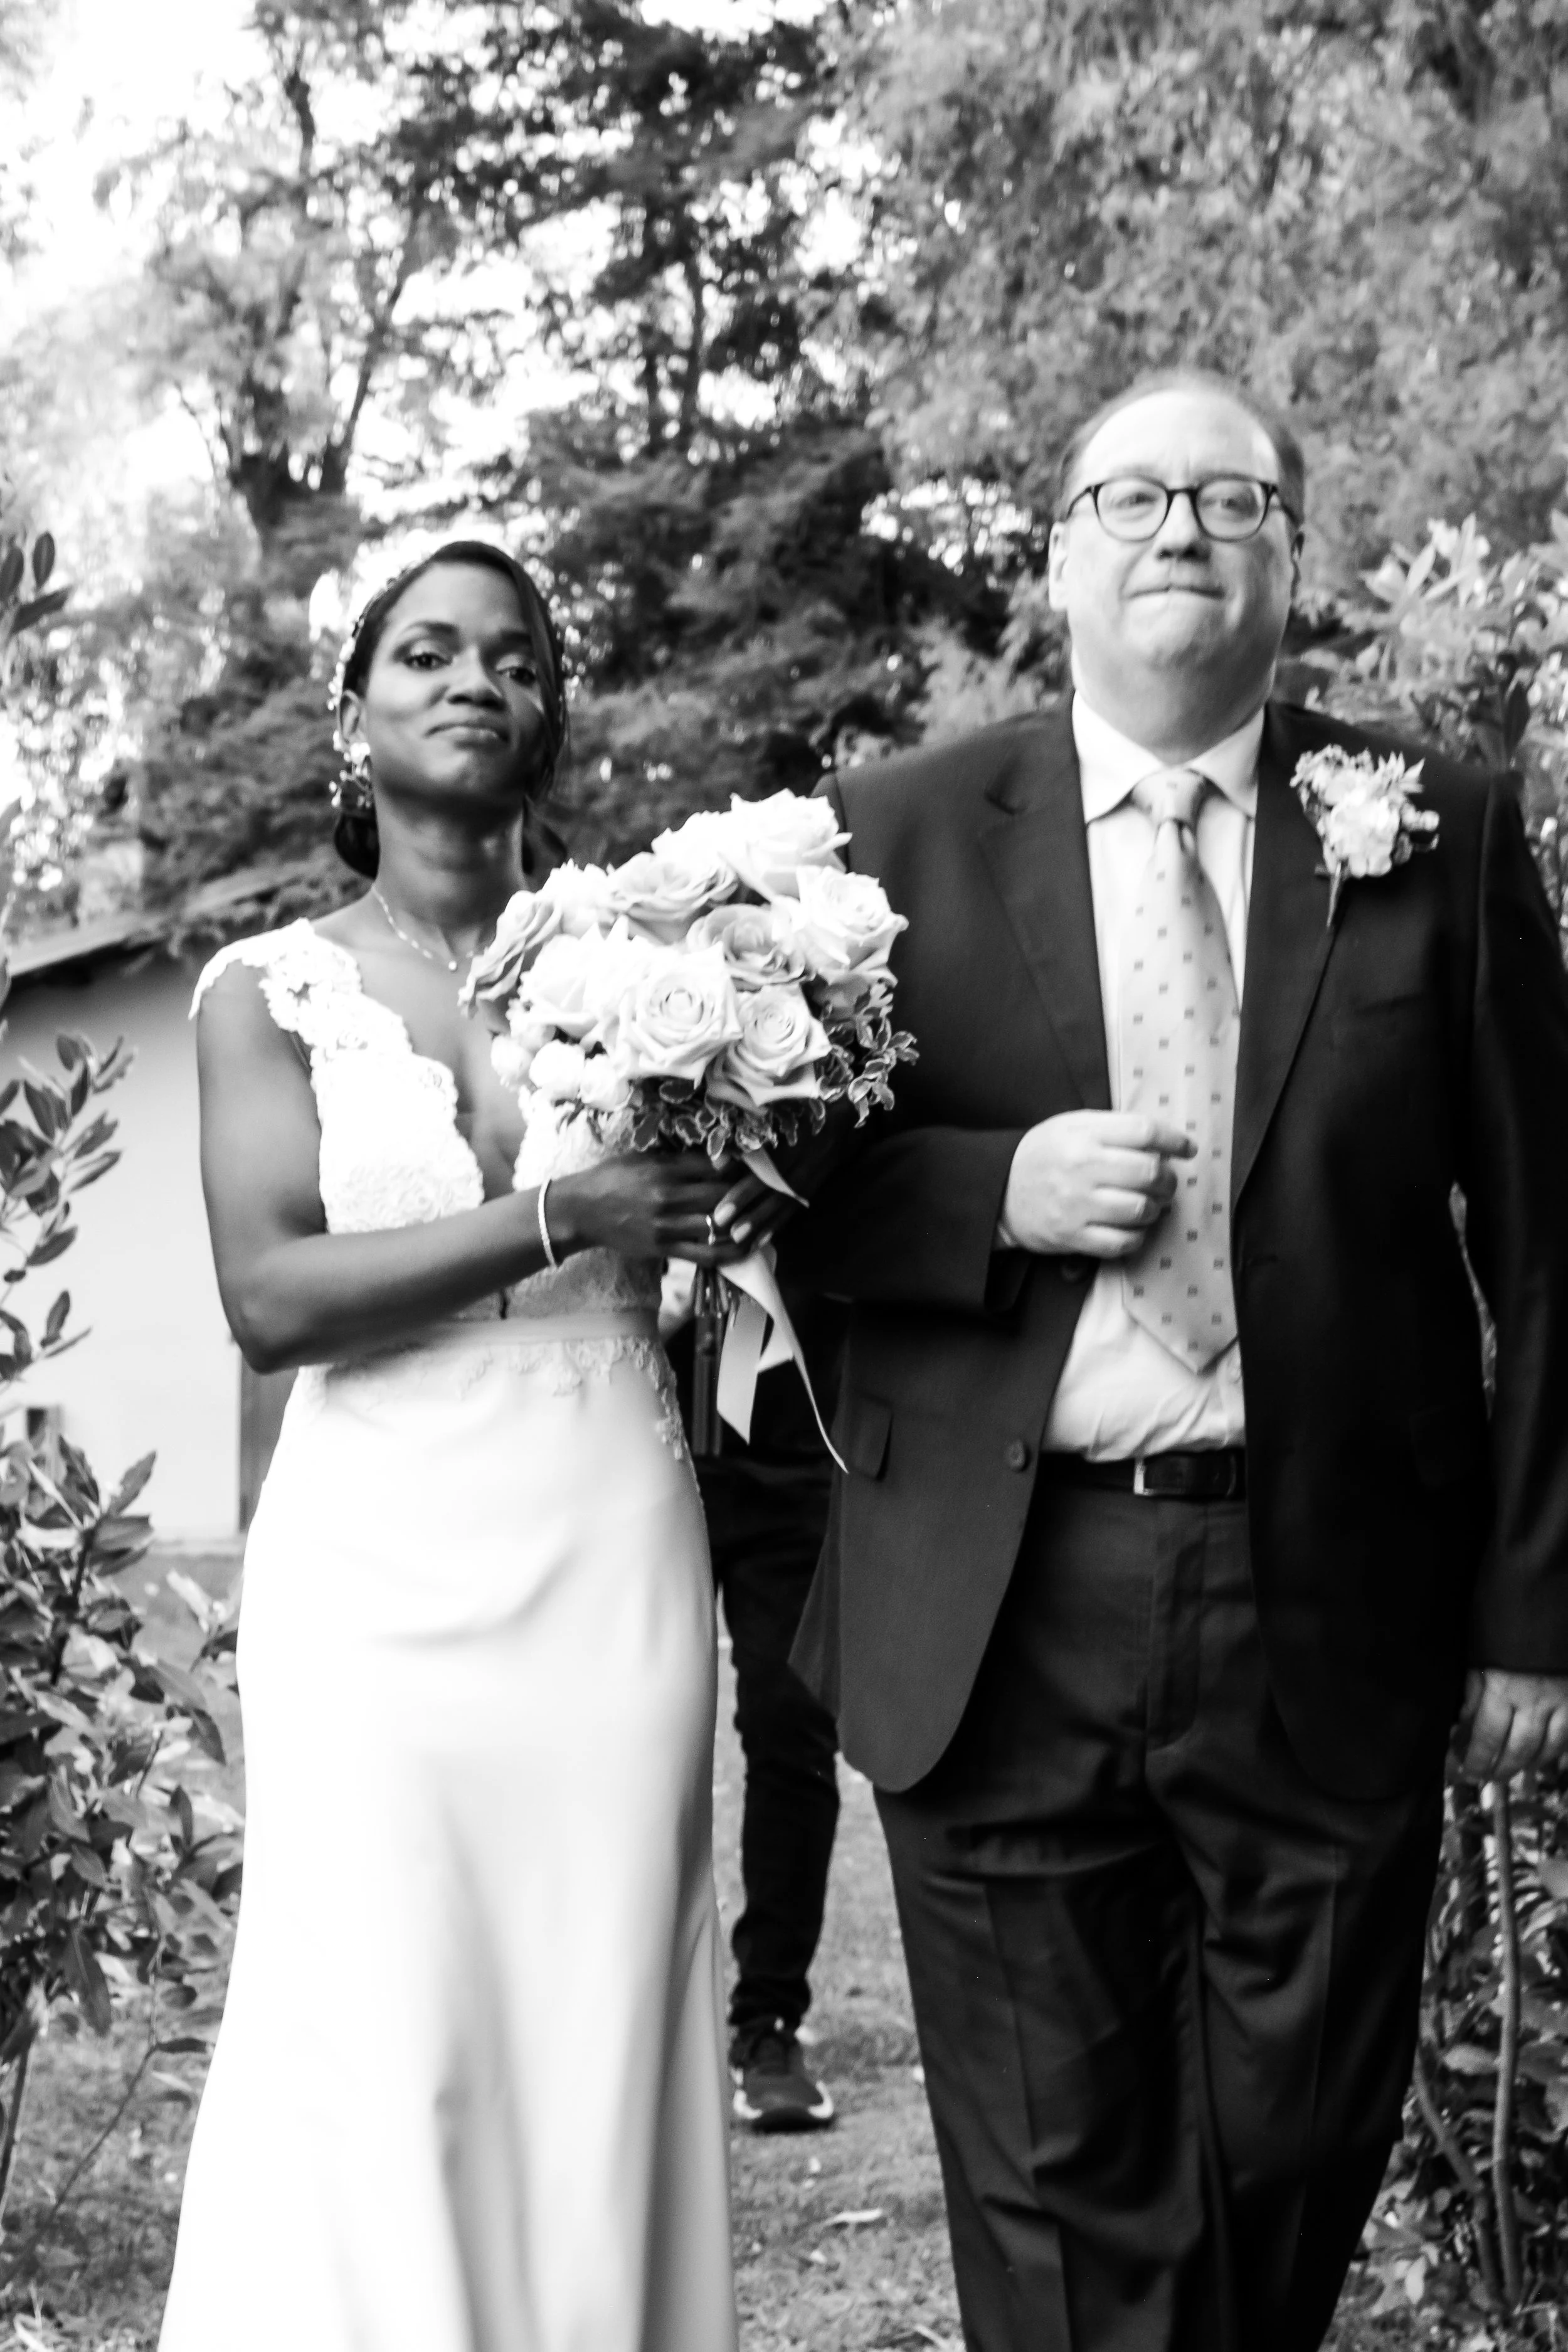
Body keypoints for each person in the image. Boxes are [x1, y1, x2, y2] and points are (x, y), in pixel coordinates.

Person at [777, 373, 1568, 2352]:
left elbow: (1554, 1251)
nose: (1179, 529)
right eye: (1128, 497)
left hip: (1331, 1598)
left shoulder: (1438, 831)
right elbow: (779, 1202)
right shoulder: (888, 834)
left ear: (1291, 555)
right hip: (1004, 1598)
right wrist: (997, 1192)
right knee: (1053, 2179)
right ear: (1058, 556)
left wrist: (1534, 1614)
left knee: (1295, 2138)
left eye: (1231, 497)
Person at [161, 541, 772, 2352]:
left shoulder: (650, 965)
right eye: (425, 651)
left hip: (610, 1544)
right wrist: (564, 1212)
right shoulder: (264, 991)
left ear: (551, 713)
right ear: (354, 719)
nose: (473, 679)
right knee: (383, 2023)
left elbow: (718, 1226)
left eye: (514, 657)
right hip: (375, 1573)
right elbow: (270, 1292)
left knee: (597, 2010)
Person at [664, 1269, 844, 2130]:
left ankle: (769, 2022)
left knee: (792, 1729)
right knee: (636, 1734)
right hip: (647, 1434)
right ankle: (635, 2016)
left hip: (795, 1439)